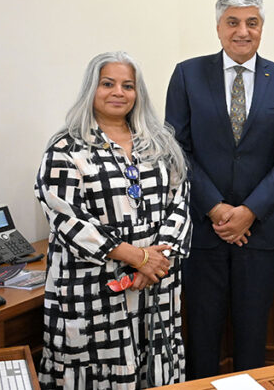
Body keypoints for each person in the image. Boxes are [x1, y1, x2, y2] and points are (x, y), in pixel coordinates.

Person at [165, 0, 274, 378]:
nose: (242, 31)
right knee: (202, 334)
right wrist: (215, 207)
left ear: (262, 28)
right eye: (233, 22)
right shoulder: (187, 75)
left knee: (252, 335)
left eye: (251, 23)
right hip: (203, 231)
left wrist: (249, 211)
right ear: (218, 27)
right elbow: (176, 149)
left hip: (260, 232)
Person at [35, 51, 190, 389]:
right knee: (98, 372)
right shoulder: (66, 148)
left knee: (155, 365)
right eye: (108, 84)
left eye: (127, 86)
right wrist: (137, 257)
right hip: (92, 285)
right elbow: (68, 219)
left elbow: (180, 202)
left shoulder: (159, 143)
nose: (118, 92)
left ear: (138, 93)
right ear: (91, 89)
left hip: (155, 281)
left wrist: (154, 262)